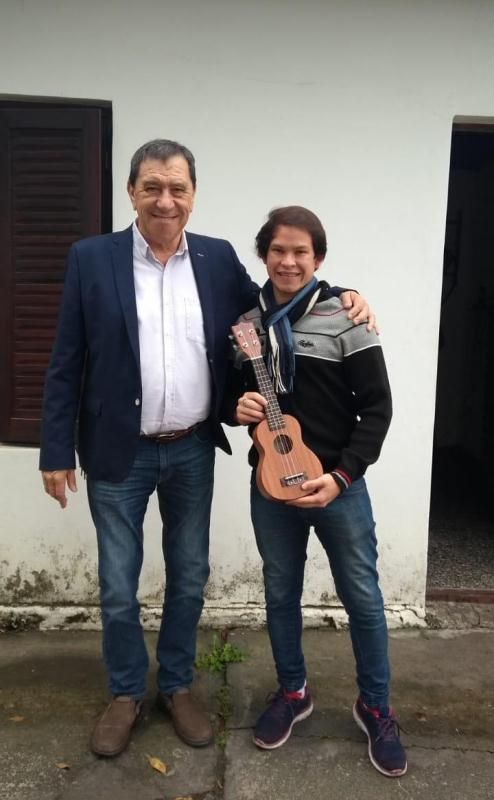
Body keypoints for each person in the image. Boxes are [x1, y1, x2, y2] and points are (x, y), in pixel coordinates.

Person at [39, 140, 373, 758]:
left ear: (193, 195)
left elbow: (275, 301)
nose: (165, 200)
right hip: (117, 451)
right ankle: (125, 694)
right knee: (118, 584)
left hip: (191, 448)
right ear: (132, 191)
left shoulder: (216, 258)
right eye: (152, 187)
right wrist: (54, 448)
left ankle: (176, 685)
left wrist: (344, 293)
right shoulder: (91, 258)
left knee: (190, 577)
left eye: (178, 188)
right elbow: (66, 360)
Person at [226, 206, 406, 778]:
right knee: (280, 593)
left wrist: (343, 476)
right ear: (264, 255)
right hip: (271, 486)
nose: (288, 261)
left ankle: (375, 706)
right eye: (278, 250)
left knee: (363, 598)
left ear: (318, 257)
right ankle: (293, 692)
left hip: (339, 487)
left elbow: (377, 410)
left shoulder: (347, 318)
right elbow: (229, 394)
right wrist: (236, 406)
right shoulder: (245, 325)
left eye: (300, 251)